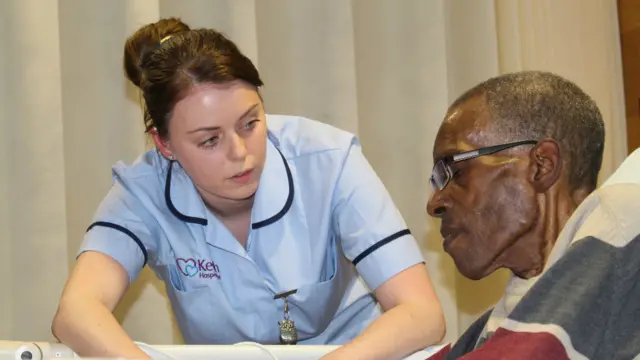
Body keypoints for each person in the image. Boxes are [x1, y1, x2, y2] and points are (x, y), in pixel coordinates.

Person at [50, 17, 445, 359]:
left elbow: (421, 312)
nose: (241, 153)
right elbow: (77, 311)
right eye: (209, 140)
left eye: (250, 123)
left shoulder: (328, 159)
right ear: (164, 144)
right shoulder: (142, 191)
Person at [426, 71, 640, 359]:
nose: (434, 203)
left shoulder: (626, 218)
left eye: (455, 170)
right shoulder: (505, 323)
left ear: (542, 165)